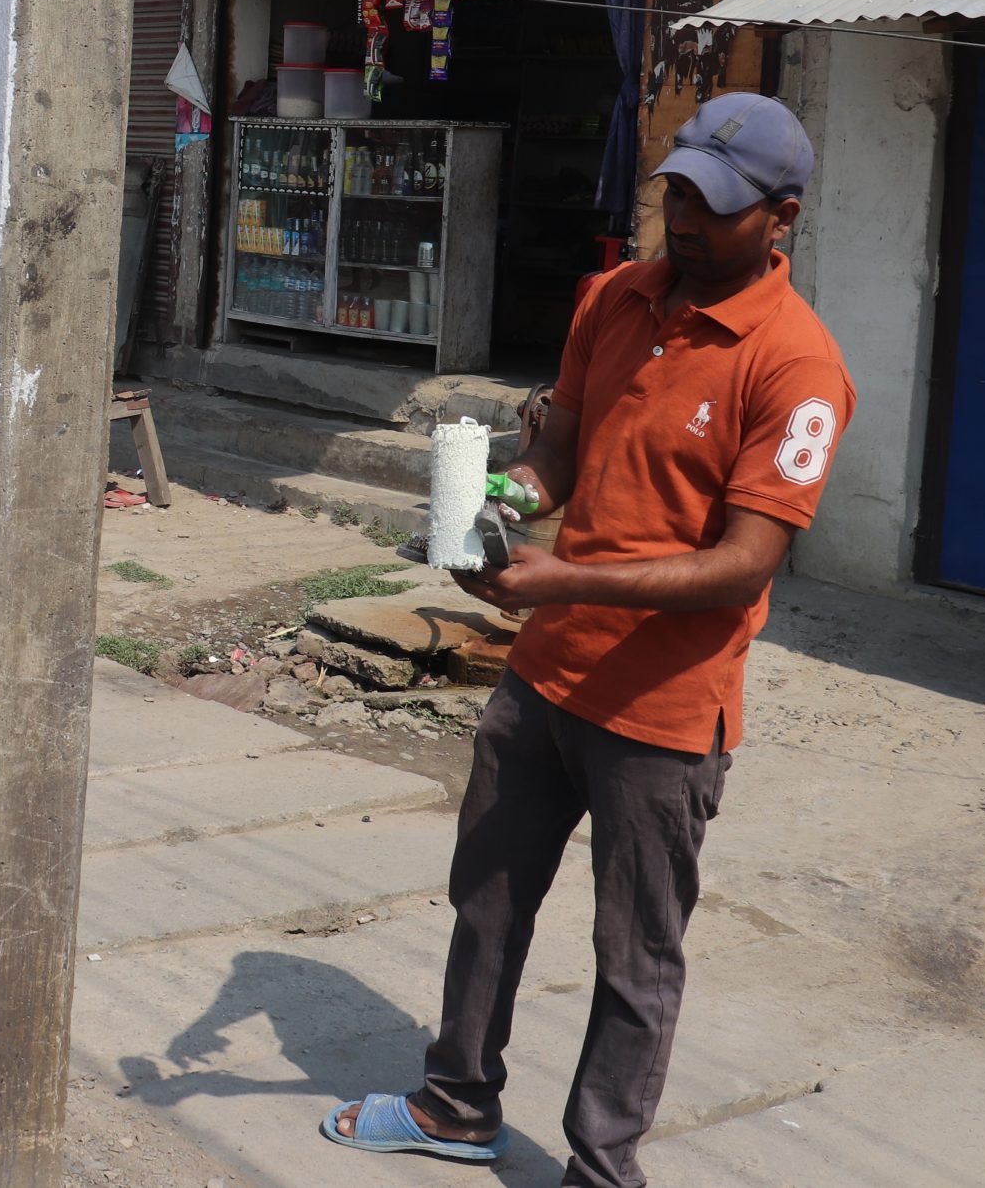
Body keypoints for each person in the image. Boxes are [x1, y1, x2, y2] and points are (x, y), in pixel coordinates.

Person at [324, 92, 855, 1188]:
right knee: (488, 899)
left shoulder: (797, 367)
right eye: (677, 196)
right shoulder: (615, 298)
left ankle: (601, 1168)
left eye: (716, 208)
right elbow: (558, 457)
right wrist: (496, 502)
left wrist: (558, 574)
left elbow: (747, 563)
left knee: (635, 955)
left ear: (782, 217)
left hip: (662, 711)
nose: (687, 223)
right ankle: (455, 1104)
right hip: (544, 676)